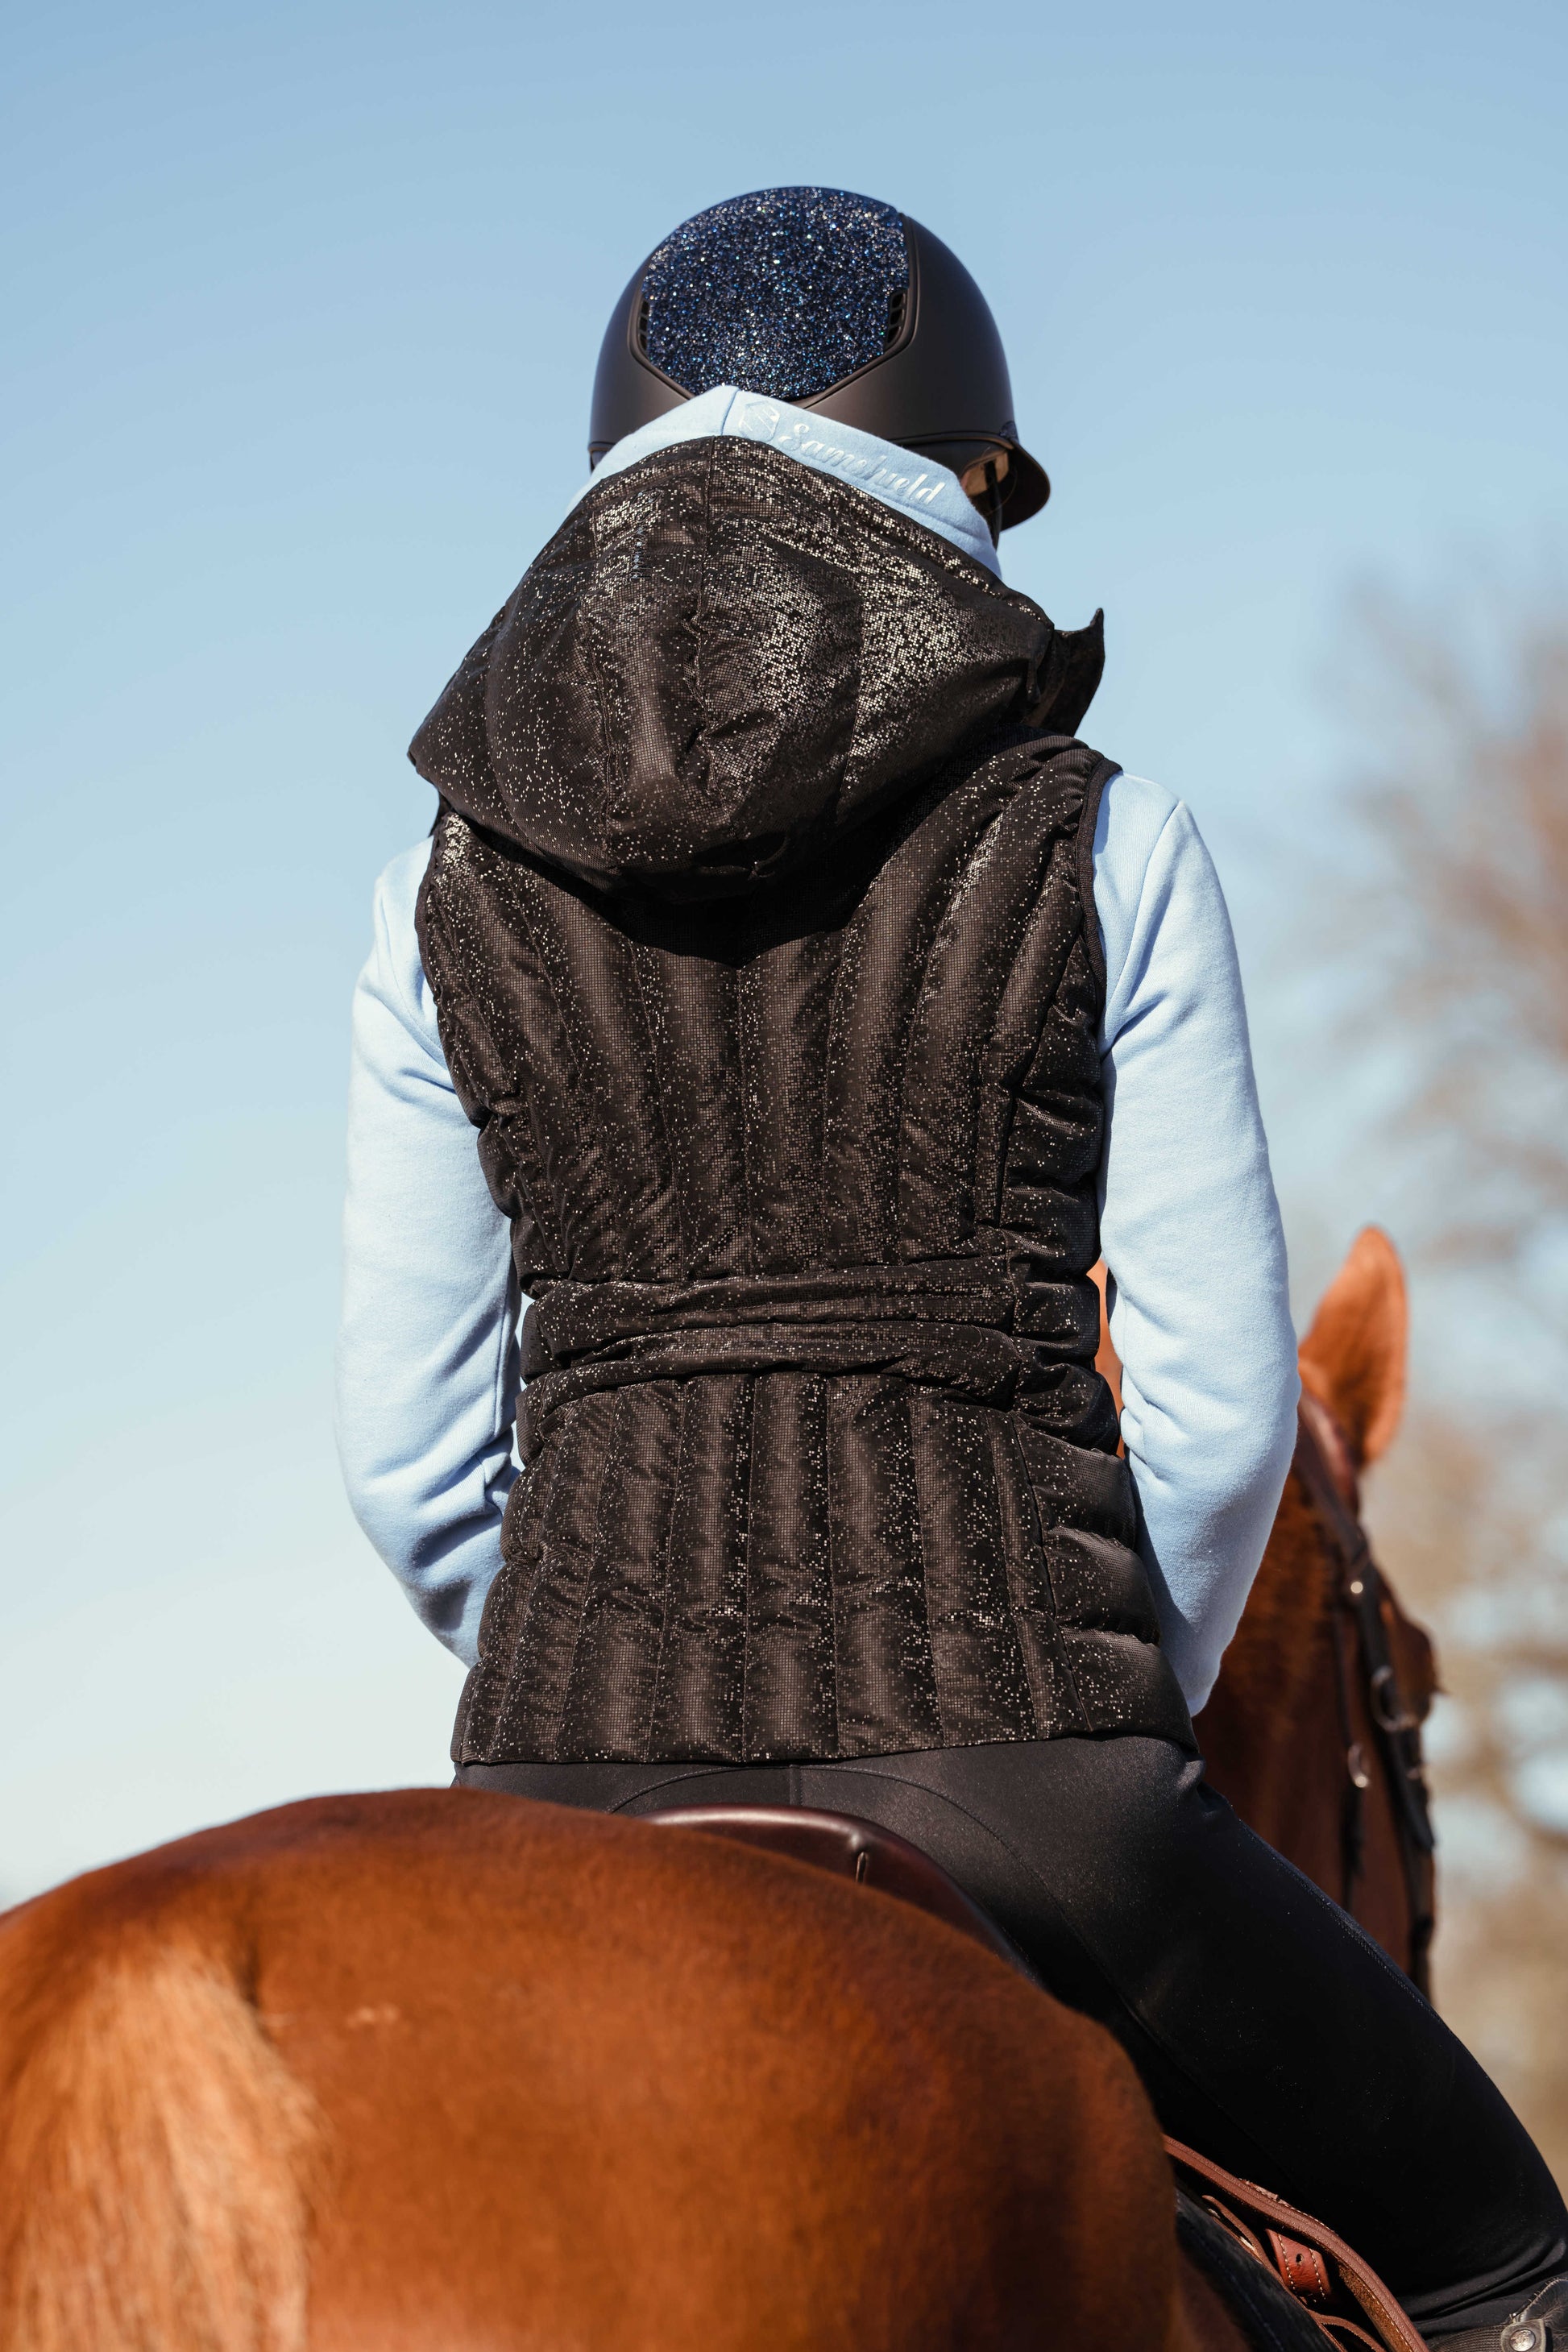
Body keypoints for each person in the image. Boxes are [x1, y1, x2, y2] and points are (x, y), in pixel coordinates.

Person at [337, 187, 1566, 2347]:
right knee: (1501, 2257)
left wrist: (593, 1670)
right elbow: (1217, 1422)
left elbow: (410, 1468)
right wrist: (1094, 1701)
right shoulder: (1106, 834)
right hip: (1025, 1761)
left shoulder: (431, 886)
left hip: (557, 1779)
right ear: (963, 474)